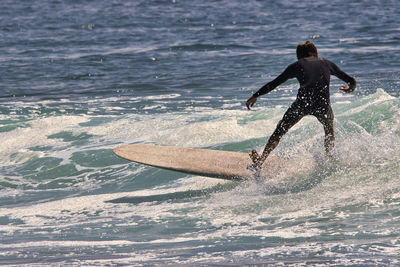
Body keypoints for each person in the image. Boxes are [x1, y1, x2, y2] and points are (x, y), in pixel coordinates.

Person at [246, 41, 356, 169]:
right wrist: (350, 88)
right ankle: (329, 158)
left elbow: (274, 83)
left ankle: (260, 162)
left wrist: (255, 95)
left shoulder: (298, 65)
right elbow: (351, 80)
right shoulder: (327, 63)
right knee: (329, 129)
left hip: (303, 103)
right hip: (322, 104)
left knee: (280, 131)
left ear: (299, 55)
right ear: (315, 52)